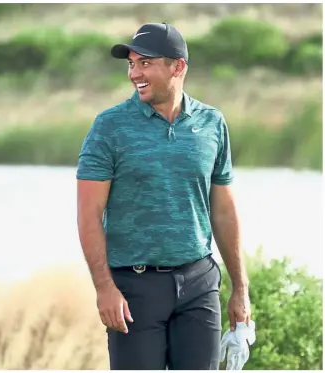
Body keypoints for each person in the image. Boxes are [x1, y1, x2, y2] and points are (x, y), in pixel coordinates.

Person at [76, 22, 252, 370]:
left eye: (145, 63)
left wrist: (240, 289)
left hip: (200, 282)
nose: (134, 73)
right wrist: (104, 288)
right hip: (134, 288)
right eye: (131, 64)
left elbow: (224, 211)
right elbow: (88, 214)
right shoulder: (109, 127)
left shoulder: (212, 123)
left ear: (178, 66)